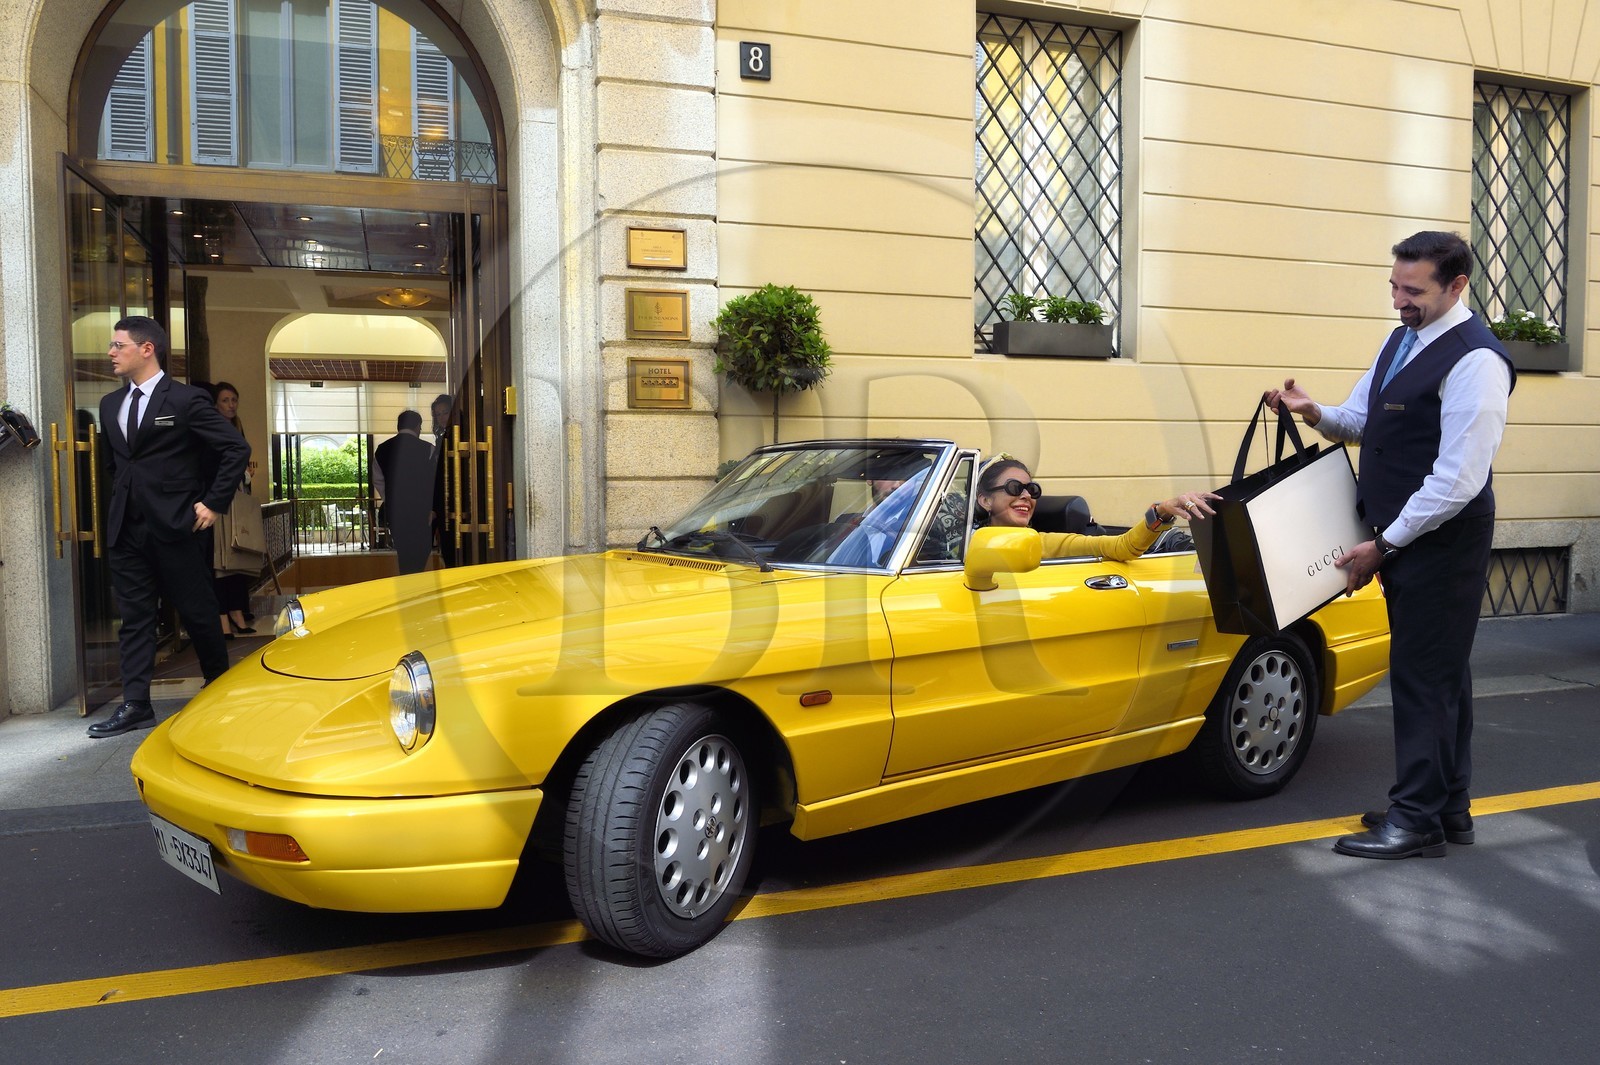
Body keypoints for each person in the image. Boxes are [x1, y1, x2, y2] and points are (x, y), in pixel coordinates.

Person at [1265, 230, 1515, 860]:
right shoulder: (1404, 339)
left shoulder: (1476, 362)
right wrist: (1313, 410)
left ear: (1456, 286)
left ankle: (1415, 821)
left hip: (1442, 543)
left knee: (1422, 680)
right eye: (1394, 287)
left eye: (1414, 290)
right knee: (1442, 678)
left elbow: (1458, 480)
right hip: (1408, 541)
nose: (1400, 300)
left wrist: (1385, 545)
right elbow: (1363, 420)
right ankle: (1446, 809)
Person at [90, 317, 250, 738]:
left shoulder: (185, 400)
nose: (110, 352)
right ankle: (136, 705)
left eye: (117, 344)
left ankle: (220, 691)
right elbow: (115, 464)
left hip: (178, 526)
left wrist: (213, 503)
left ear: (147, 349)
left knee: (199, 614)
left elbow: (235, 448)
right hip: (127, 530)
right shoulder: (110, 405)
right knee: (136, 619)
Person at [975, 455, 1217, 560]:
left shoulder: (1039, 543)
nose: (1026, 496)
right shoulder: (961, 544)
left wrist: (1162, 510)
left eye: (1033, 489)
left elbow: (1122, 547)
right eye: (1015, 487)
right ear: (985, 500)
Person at [209, 382, 257, 638]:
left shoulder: (237, 427)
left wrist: (246, 475)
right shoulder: (211, 428)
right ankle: (223, 618)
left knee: (238, 560)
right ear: (216, 403)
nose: (231, 405)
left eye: (234, 400)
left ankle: (237, 612)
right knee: (221, 563)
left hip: (236, 501)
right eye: (226, 400)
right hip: (218, 503)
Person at [374, 409, 437, 574]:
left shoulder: (382, 449)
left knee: (404, 553)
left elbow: (378, 479)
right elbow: (435, 481)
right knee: (420, 554)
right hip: (422, 512)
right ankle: (413, 586)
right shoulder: (428, 449)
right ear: (418, 426)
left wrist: (389, 499)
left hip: (397, 512)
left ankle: (408, 583)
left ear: (398, 426)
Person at [430, 393, 455, 567]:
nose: (441, 418)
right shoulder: (442, 438)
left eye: (445, 412)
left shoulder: (457, 437)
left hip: (453, 502)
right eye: (437, 414)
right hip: (442, 504)